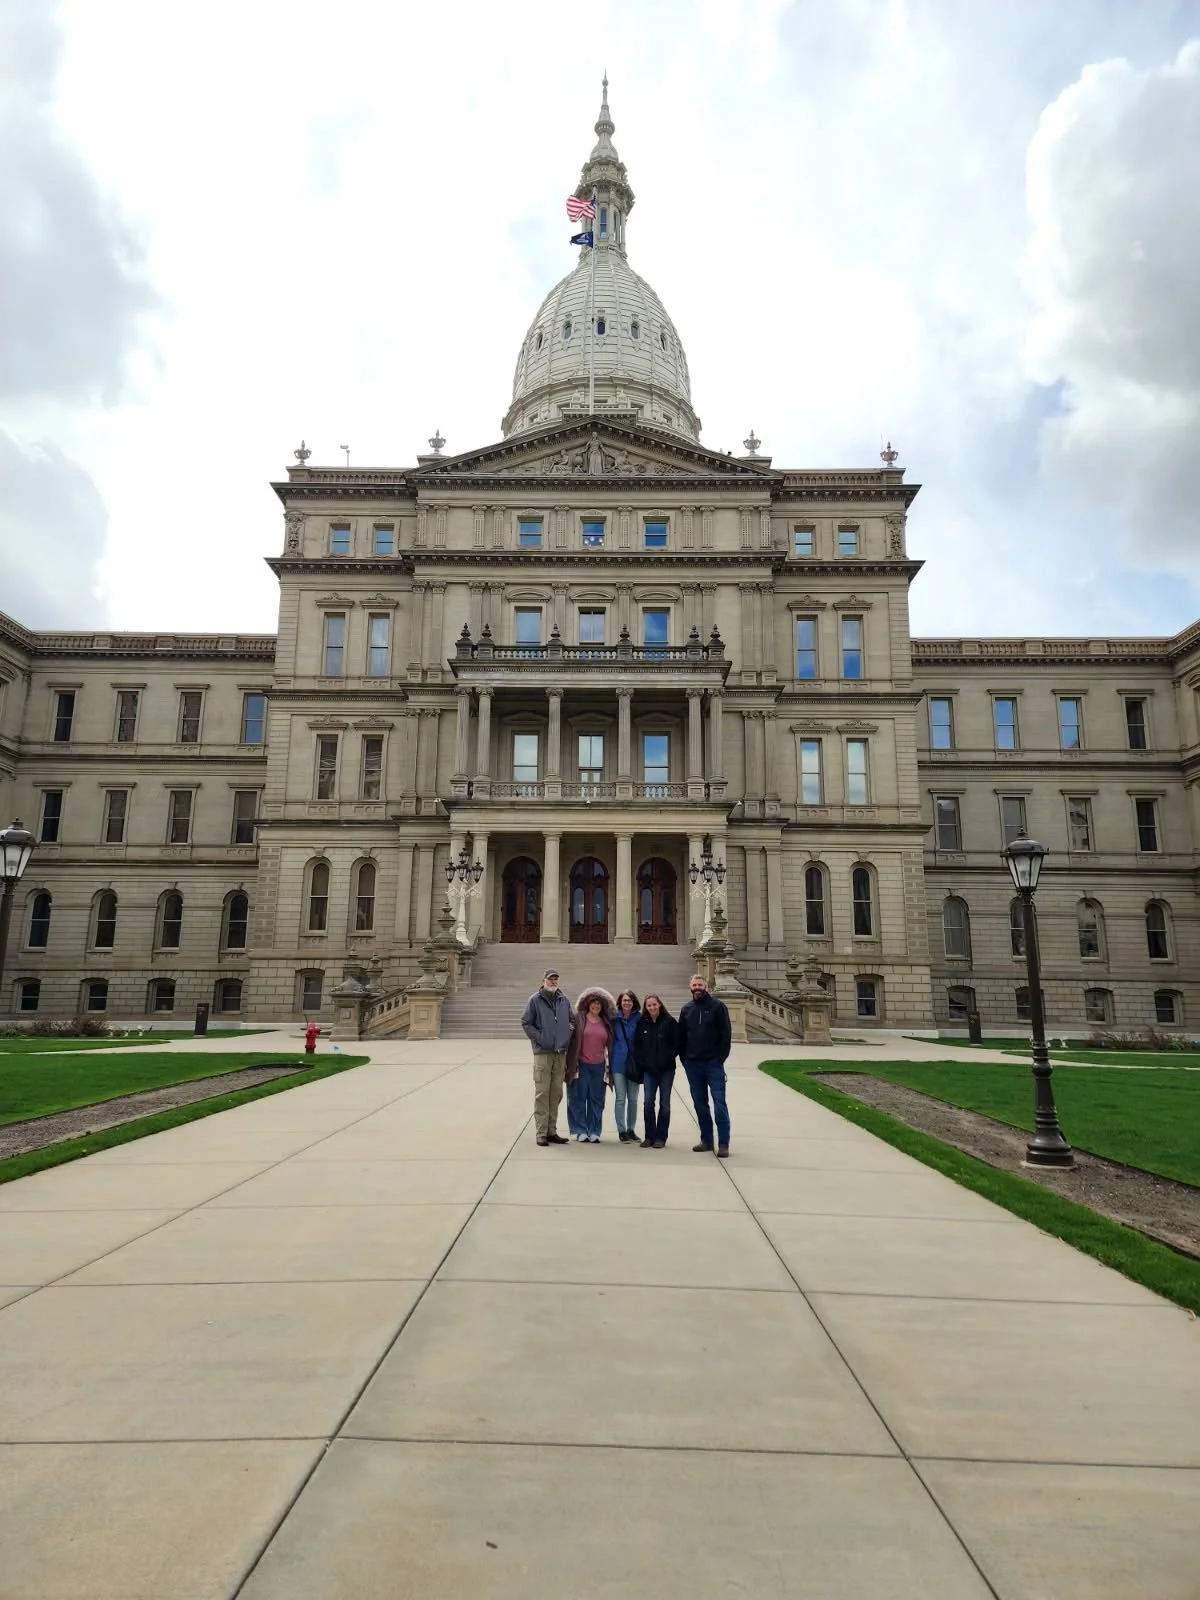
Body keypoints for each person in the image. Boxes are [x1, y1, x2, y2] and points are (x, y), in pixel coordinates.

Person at [677, 973, 732, 1157]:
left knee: (719, 1103)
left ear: (706, 986)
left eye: (700, 984)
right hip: (693, 1065)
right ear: (690, 986)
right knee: (700, 1104)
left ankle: (723, 1143)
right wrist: (684, 1059)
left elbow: (726, 1035)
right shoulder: (686, 1009)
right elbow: (681, 1038)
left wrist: (719, 1059)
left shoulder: (718, 1007)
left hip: (712, 1064)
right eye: (694, 985)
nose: (697, 987)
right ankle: (706, 1141)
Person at [520, 968, 573, 1147]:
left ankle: (552, 1131)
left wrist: (567, 1033)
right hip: (543, 1053)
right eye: (550, 979)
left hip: (560, 1053)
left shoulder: (563, 1000)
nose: (553, 982)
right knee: (542, 1093)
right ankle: (541, 1132)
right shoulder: (535, 1000)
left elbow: (571, 1020)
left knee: (556, 1093)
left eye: (556, 979)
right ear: (543, 980)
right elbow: (526, 1022)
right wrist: (541, 1038)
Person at [567, 986, 614, 1142]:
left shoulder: (606, 1022)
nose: (596, 1006)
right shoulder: (579, 1019)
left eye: (599, 1004)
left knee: (597, 1099)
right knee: (578, 1098)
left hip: (599, 1066)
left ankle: (594, 1130)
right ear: (588, 1004)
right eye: (593, 1003)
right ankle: (580, 1130)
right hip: (581, 1064)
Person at [633, 992, 678, 1148]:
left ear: (659, 1004)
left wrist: (667, 1057)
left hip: (666, 1070)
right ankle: (649, 1136)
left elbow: (677, 1044)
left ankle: (661, 1137)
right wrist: (643, 1062)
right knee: (647, 1103)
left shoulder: (670, 1022)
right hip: (649, 1071)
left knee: (664, 1104)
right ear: (645, 1007)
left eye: (654, 1004)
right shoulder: (642, 1023)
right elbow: (637, 1045)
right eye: (649, 1005)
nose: (652, 1007)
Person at [610, 990, 642, 1142]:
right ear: (620, 1002)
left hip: (635, 1063)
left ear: (633, 1002)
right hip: (618, 1062)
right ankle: (622, 1130)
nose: (627, 1003)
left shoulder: (639, 1018)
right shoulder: (614, 1018)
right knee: (621, 1098)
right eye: (624, 1000)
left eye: (629, 1000)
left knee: (633, 1099)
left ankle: (631, 1129)